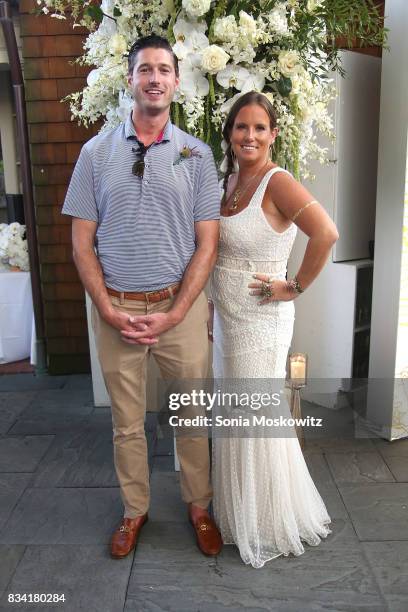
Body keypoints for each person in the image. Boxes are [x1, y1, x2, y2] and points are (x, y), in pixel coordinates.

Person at [62, 35, 223, 559]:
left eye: (164, 69)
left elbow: (208, 242)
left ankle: (199, 507)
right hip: (117, 309)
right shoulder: (95, 153)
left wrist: (178, 311)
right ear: (130, 79)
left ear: (177, 81)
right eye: (145, 69)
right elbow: (81, 240)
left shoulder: (195, 154)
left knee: (192, 417)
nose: (154, 77)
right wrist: (107, 308)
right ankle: (135, 511)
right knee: (126, 424)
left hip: (179, 306)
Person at [209, 91, 338, 568]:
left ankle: (265, 520)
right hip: (227, 321)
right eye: (241, 126)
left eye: (260, 127)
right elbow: (219, 256)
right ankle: (238, 511)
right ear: (229, 134)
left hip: (262, 322)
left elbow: (326, 233)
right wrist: (209, 309)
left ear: (274, 134)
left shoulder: (276, 181)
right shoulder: (228, 183)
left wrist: (295, 286)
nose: (250, 136)